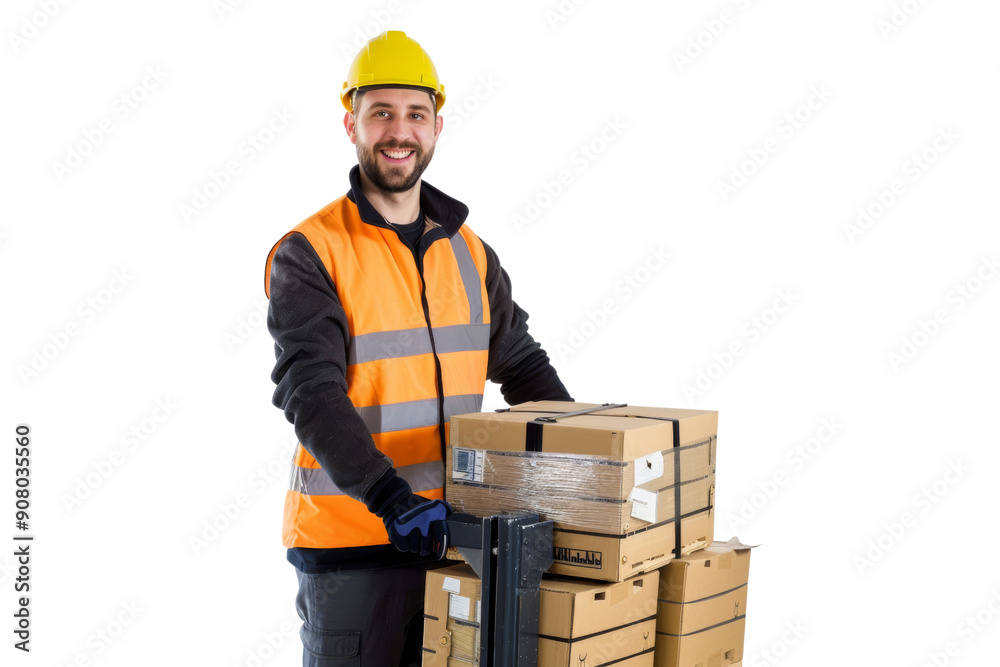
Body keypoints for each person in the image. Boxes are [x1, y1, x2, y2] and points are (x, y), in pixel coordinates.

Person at [264, 30, 572, 666]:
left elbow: (521, 365)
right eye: (381, 113)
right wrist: (390, 500)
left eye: (415, 114)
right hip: (352, 548)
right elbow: (311, 393)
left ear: (436, 127)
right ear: (350, 124)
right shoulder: (312, 251)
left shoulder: (469, 252)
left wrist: (586, 460)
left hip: (455, 542)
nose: (399, 131)